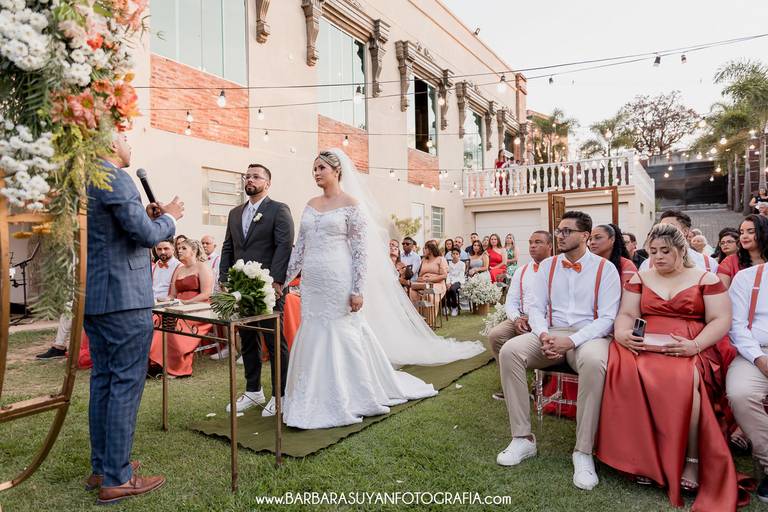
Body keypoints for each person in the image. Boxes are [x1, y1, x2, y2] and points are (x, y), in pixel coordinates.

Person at [281, 149, 438, 429]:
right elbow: (300, 247)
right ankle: (311, 394)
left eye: (321, 168)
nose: (316, 173)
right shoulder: (310, 204)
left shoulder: (352, 204)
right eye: (314, 169)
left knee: (341, 331)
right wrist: (283, 280)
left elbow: (360, 252)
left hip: (338, 278)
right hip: (312, 281)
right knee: (313, 328)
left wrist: (357, 290)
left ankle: (352, 393)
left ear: (336, 170)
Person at [596, 223, 740, 511]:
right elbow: (627, 313)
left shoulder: (705, 278)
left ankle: (692, 459)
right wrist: (623, 333)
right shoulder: (641, 277)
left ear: (680, 251)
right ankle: (643, 459)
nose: (658, 256)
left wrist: (695, 346)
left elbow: (720, 319)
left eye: (665, 251)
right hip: (645, 344)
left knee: (684, 379)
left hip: (690, 344)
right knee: (625, 369)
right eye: (653, 251)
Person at [83, 132, 183, 504]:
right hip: (124, 299)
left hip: (96, 297)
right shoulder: (117, 177)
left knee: (104, 382)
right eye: (124, 136)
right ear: (111, 144)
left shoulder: (88, 178)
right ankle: (118, 477)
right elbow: (144, 236)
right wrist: (169, 218)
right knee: (125, 383)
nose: (129, 142)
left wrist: (146, 216)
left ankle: (103, 466)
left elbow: (117, 231)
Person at [496, 211, 620, 491]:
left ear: (585, 235)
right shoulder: (548, 266)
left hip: (589, 336)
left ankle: (583, 451)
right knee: (510, 351)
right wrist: (543, 335)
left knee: (595, 362)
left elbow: (608, 318)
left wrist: (572, 341)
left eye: (566, 231)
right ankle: (523, 439)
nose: (560, 236)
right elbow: (536, 308)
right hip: (550, 332)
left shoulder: (605, 269)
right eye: (558, 231)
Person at [219, 163, 294, 415]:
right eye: (247, 176)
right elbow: (228, 246)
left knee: (274, 341)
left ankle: (280, 395)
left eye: (256, 176)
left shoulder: (278, 210)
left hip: (269, 288)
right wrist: (224, 277)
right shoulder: (234, 213)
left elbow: (284, 246)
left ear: (267, 183)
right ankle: (253, 391)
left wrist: (277, 281)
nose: (250, 180)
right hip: (241, 288)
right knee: (248, 339)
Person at [487, 230, 553, 400]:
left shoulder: (557, 270)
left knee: (546, 339)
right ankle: (512, 384)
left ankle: (541, 385)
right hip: (521, 317)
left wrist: (535, 319)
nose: (532, 246)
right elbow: (511, 300)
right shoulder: (522, 270)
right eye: (530, 242)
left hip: (548, 320)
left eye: (538, 242)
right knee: (496, 335)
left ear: (550, 246)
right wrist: (516, 319)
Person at [727, 262, 768, 503]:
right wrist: (759, 358)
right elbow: (736, 326)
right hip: (754, 352)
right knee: (740, 393)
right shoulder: (747, 277)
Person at [148, 239, 213, 378]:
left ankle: (175, 367)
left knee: (172, 325)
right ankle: (155, 363)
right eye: (179, 248)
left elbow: (206, 294)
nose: (180, 250)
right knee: (156, 320)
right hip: (178, 307)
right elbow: (172, 295)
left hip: (198, 309)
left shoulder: (202, 267)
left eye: (184, 248)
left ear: (193, 251)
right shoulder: (179, 269)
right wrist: (162, 301)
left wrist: (186, 303)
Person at [639, 210, 718, 273]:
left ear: (685, 231)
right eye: (662, 227)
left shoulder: (708, 263)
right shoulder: (647, 265)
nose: (664, 231)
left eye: (670, 227)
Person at [717, 214, 768, 289]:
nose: (744, 236)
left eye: (751, 232)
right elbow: (721, 292)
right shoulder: (730, 262)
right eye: (741, 233)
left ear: (764, 233)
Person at [408, 240, 448, 307]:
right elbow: (420, 275)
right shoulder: (423, 260)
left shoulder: (441, 259)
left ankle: (429, 313)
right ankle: (417, 311)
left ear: (431, 250)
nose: (423, 250)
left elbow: (444, 276)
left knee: (427, 291)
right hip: (424, 283)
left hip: (438, 284)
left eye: (425, 248)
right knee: (412, 290)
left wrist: (428, 279)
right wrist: (420, 279)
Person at [446, 248, 465, 316]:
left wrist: (451, 283)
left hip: (458, 281)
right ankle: (447, 306)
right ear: (451, 255)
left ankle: (454, 307)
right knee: (446, 289)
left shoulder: (462, 264)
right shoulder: (449, 263)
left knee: (452, 289)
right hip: (449, 281)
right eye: (453, 254)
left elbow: (460, 276)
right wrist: (448, 283)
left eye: (457, 254)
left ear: (459, 255)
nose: (455, 255)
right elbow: (448, 274)